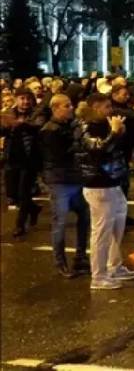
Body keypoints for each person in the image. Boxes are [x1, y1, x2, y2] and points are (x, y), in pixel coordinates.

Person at [76, 93, 134, 290]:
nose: (110, 111)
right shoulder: (85, 127)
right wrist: (114, 133)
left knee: (117, 225)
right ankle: (99, 276)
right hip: (98, 184)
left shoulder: (103, 125)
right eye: (106, 107)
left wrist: (119, 132)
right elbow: (97, 151)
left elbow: (115, 150)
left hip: (113, 181)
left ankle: (114, 266)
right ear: (95, 108)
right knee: (102, 231)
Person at [39, 94, 91, 277]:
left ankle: (80, 256)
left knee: (84, 216)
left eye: (71, 105)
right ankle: (60, 261)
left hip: (74, 178)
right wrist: (76, 138)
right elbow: (59, 154)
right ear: (55, 108)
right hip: (60, 181)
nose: (71, 108)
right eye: (66, 106)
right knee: (60, 222)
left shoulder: (68, 126)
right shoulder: (50, 130)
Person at [2, 88, 43, 237]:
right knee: (12, 194)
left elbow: (37, 127)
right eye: (22, 98)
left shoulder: (37, 112)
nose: (25, 102)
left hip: (29, 159)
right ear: (15, 99)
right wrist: (6, 125)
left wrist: (18, 124)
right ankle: (33, 209)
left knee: (24, 192)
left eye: (28, 99)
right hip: (11, 158)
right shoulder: (8, 112)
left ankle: (20, 225)